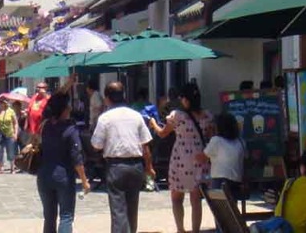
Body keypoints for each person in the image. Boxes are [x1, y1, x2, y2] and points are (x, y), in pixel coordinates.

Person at [92, 81, 155, 233]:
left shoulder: (105, 118)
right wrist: (149, 168)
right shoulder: (137, 116)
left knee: (118, 210)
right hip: (136, 166)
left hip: (116, 166)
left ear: (107, 98)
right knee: (132, 208)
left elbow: (96, 145)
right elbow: (145, 145)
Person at [150, 83, 214, 233]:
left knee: (176, 196)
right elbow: (211, 136)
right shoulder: (208, 115)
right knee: (195, 198)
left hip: (181, 158)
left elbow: (162, 133)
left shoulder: (177, 116)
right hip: (200, 157)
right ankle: (196, 230)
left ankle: (180, 229)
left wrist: (153, 123)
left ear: (185, 99)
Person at [37, 90, 90, 233]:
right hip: (63, 176)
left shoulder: (45, 126)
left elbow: (52, 101)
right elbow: (77, 157)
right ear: (63, 110)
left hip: (43, 175)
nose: (70, 108)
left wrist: (69, 84)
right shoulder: (70, 129)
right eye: (67, 106)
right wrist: (84, 181)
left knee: (49, 217)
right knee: (66, 216)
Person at [198, 113, 244, 191]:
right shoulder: (240, 142)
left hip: (219, 180)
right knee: (231, 202)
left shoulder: (216, 140)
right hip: (236, 181)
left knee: (218, 202)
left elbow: (201, 158)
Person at [0, 97, 19, 173]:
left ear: (5, 103)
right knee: (0, 150)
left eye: (1, 102)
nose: (0, 104)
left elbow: (15, 123)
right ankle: (1, 168)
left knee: (11, 150)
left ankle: (12, 168)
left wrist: (15, 133)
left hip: (9, 133)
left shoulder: (10, 111)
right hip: (0, 133)